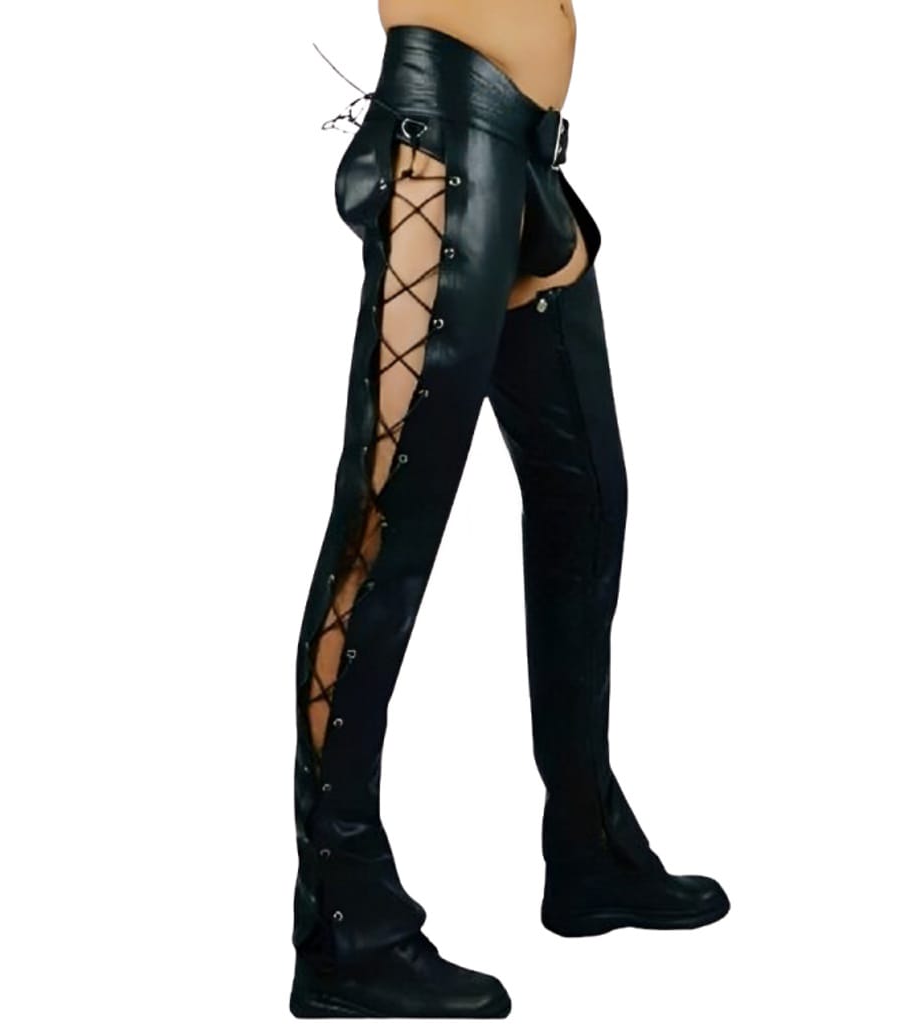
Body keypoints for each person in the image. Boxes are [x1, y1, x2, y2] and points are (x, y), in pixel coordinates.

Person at [290, 4, 730, 1017]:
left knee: (588, 501)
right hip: (440, 147)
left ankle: (589, 849)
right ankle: (345, 924)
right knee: (381, 533)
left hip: (522, 155)